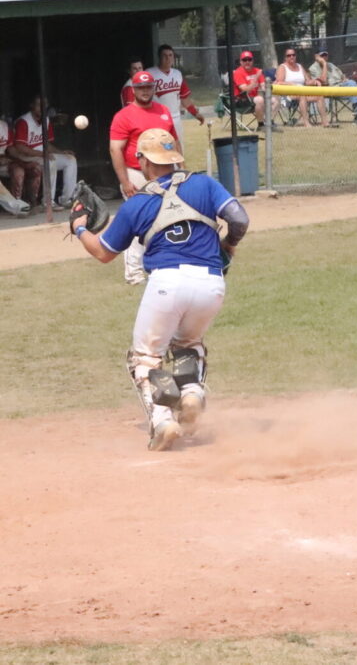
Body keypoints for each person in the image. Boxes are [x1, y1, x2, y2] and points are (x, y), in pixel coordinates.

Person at [72, 128, 249, 452]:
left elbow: (102, 252)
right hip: (211, 285)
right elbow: (239, 219)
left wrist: (79, 227)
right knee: (188, 344)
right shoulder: (204, 183)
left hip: (167, 284)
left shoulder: (137, 204)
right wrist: (228, 245)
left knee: (145, 358)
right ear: (174, 156)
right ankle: (192, 393)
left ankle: (163, 421)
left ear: (143, 161)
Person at [110, 69, 180, 285]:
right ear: (133, 90)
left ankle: (160, 263)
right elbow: (115, 149)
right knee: (139, 220)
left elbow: (173, 142)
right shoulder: (124, 115)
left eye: (148, 86)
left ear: (154, 88)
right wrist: (125, 181)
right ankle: (134, 272)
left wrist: (182, 169)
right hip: (136, 172)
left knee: (166, 218)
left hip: (164, 172)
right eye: (140, 87)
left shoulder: (164, 111)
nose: (145, 91)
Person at [8, 96, 77, 210]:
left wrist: (61, 152)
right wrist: (41, 155)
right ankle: (48, 202)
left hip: (42, 155)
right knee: (50, 163)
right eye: (39, 105)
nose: (42, 108)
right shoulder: (24, 121)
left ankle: (66, 200)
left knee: (70, 160)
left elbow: (47, 145)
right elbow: (20, 147)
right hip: (26, 157)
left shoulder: (46, 120)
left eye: (44, 105)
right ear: (32, 106)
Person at [146, 44, 204, 150]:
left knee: (177, 148)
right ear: (159, 57)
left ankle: (179, 167)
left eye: (170, 55)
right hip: (157, 117)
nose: (168, 58)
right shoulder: (150, 74)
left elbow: (184, 98)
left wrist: (195, 113)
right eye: (164, 56)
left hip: (175, 117)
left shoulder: (177, 74)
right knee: (161, 149)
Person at [309, 48, 357, 125]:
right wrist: (324, 64)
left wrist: (345, 79)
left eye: (326, 55)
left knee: (353, 85)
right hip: (329, 89)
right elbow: (324, 81)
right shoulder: (313, 68)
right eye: (322, 55)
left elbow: (342, 76)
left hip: (341, 86)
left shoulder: (331, 65)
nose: (324, 57)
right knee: (353, 86)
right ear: (317, 57)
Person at [275, 48, 327, 128]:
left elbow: (306, 81)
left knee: (319, 95)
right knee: (302, 95)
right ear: (285, 57)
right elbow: (279, 82)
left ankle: (325, 122)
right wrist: (291, 84)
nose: (291, 57)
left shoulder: (299, 66)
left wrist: (314, 81)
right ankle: (306, 122)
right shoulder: (282, 67)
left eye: (293, 55)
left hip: (302, 92)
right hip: (287, 95)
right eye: (289, 55)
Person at [0, 117, 40, 212]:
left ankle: (22, 202)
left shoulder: (3, 126)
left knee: (19, 171)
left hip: (4, 161)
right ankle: (17, 206)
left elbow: (10, 149)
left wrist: (22, 160)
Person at [232, 50, 278, 128]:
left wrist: (270, 86)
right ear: (241, 62)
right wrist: (256, 77)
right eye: (244, 60)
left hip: (254, 99)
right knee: (260, 99)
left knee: (275, 100)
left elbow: (263, 86)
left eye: (249, 59)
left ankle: (269, 121)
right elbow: (245, 90)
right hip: (241, 101)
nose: (247, 62)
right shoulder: (238, 73)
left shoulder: (256, 71)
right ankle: (261, 125)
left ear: (252, 61)